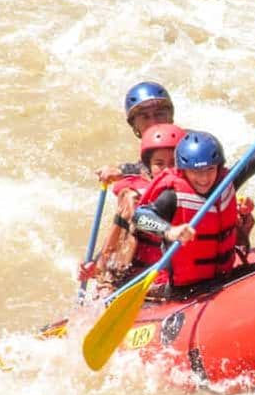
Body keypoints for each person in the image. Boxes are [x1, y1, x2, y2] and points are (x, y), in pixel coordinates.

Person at [132, 99, 255, 299]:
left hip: (224, 277)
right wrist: (169, 230)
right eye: (195, 172)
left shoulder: (226, 181)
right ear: (183, 171)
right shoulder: (173, 196)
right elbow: (140, 217)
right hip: (187, 292)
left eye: (210, 169)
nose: (204, 178)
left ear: (218, 167)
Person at [78, 123, 185, 288]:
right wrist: (95, 265)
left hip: (181, 279)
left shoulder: (198, 188)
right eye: (159, 163)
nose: (167, 170)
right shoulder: (135, 198)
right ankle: (107, 282)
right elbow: (118, 239)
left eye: (174, 162)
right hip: (141, 279)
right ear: (149, 167)